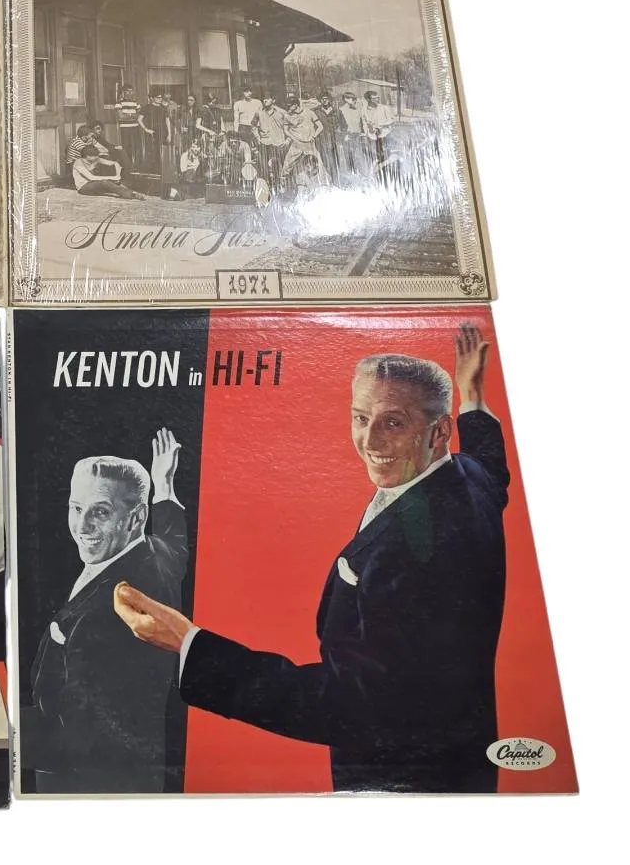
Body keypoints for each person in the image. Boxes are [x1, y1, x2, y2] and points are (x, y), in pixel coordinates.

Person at [113, 326, 509, 793]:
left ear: (440, 432)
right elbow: (491, 465)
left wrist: (190, 647)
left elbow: (351, 704)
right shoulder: (468, 478)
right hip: (465, 757)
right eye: (360, 418)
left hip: (403, 781)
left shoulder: (417, 551)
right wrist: (472, 397)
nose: (370, 440)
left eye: (393, 423)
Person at [27, 430, 188, 793]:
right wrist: (163, 484)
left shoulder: (106, 617)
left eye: (100, 512)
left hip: (85, 783)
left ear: (135, 518)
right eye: (76, 508)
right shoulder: (159, 554)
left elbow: (80, 733)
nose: (82, 527)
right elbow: (175, 540)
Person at [281, 95, 329, 186]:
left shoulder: (309, 112)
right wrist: (293, 138)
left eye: (289, 105)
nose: (288, 108)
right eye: (287, 106)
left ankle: (324, 184)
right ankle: (283, 184)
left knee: (319, 164)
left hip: (309, 144)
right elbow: (286, 130)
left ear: (295, 105)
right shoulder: (287, 116)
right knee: (287, 165)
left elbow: (320, 126)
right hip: (296, 144)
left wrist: (314, 136)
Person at [72, 144, 143, 198]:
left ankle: (131, 192)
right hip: (83, 188)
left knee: (113, 183)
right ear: (87, 156)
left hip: (95, 185)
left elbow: (115, 163)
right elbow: (91, 178)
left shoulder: (95, 159)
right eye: (95, 155)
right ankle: (131, 194)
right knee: (105, 182)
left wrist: (118, 174)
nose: (97, 157)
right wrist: (113, 178)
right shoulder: (78, 163)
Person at [106, 86, 146, 176]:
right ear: (123, 92)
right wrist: (133, 115)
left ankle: (136, 166)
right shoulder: (119, 103)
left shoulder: (136, 102)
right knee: (126, 147)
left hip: (135, 127)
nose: (130, 93)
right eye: (127, 91)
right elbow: (121, 116)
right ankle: (128, 167)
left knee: (137, 146)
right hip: (124, 128)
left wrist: (128, 115)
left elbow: (139, 115)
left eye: (131, 91)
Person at [361, 89, 398, 173]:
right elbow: (364, 123)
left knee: (387, 156)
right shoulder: (364, 110)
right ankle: (377, 171)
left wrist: (382, 125)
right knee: (375, 156)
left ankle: (387, 171)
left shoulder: (384, 108)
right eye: (374, 98)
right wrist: (367, 132)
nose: (377, 100)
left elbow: (392, 120)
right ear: (368, 99)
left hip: (385, 136)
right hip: (372, 137)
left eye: (378, 97)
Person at [336, 91, 367, 179]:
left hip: (357, 135)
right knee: (348, 155)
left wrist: (363, 132)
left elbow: (361, 121)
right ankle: (351, 173)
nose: (355, 101)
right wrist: (344, 135)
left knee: (358, 155)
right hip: (348, 135)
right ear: (346, 99)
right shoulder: (341, 110)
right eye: (352, 99)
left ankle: (360, 173)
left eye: (355, 99)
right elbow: (340, 125)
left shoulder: (357, 110)